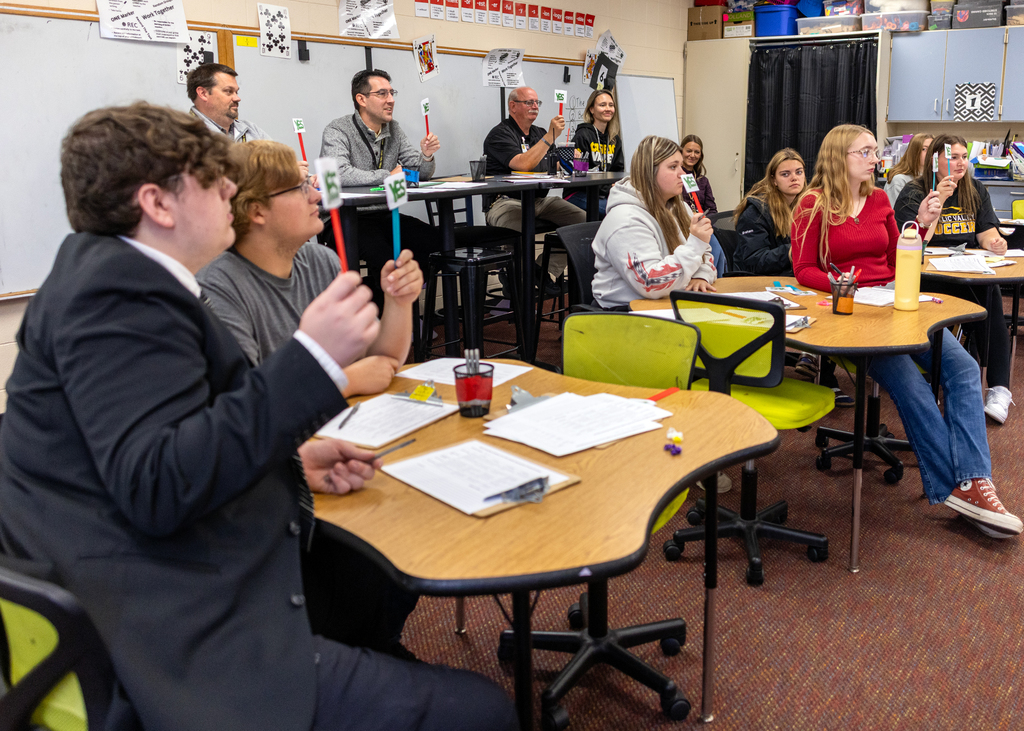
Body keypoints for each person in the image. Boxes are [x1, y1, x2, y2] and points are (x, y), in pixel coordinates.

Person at [0, 103, 518, 731]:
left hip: (122, 581)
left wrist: (291, 456)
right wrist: (313, 359)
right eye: (212, 180)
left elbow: (162, 444)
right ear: (159, 205)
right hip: (171, 638)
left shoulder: (103, 274)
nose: (229, 190)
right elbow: (159, 486)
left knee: (368, 574)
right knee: (483, 711)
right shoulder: (120, 297)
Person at [197, 139, 424, 657]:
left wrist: (399, 301)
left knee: (409, 538)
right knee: (371, 561)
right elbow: (250, 409)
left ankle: (372, 640)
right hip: (283, 470)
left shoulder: (319, 261)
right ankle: (350, 647)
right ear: (256, 211)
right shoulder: (222, 288)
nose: (314, 193)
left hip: (340, 439)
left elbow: (385, 360)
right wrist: (344, 379)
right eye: (299, 187)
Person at [792, 123, 1022, 539]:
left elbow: (900, 255)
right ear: (839, 157)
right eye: (865, 152)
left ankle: (972, 482)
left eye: (874, 152)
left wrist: (923, 223)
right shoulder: (813, 204)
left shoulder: (879, 198)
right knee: (914, 389)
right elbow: (804, 269)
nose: (875, 158)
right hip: (849, 314)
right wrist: (848, 287)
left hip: (893, 302)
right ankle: (961, 487)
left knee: (964, 368)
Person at [893, 134, 1013, 424]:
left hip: (966, 270)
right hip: (927, 275)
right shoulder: (914, 191)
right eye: (954, 157)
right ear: (936, 161)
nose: (961, 164)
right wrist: (941, 199)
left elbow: (985, 232)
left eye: (964, 157)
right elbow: (917, 240)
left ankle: (999, 388)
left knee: (991, 294)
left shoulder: (976, 189)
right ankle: (933, 378)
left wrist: (995, 242)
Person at [320, 69, 442, 307]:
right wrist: (387, 175)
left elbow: (419, 174)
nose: (391, 99)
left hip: (383, 214)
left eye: (392, 92)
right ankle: (376, 312)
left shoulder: (393, 129)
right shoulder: (337, 130)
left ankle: (391, 307)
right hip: (346, 218)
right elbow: (339, 173)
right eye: (382, 93)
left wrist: (426, 156)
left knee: (436, 245)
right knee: (386, 260)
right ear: (361, 99)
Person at [591, 135, 717, 310]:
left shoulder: (681, 208)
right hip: (624, 314)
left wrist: (702, 275)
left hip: (668, 303)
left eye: (681, 166)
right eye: (673, 167)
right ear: (649, 172)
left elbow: (706, 254)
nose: (683, 173)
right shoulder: (625, 219)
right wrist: (696, 244)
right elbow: (651, 283)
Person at [482, 86, 586, 285]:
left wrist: (570, 159)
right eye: (529, 102)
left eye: (537, 102)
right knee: (519, 231)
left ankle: (541, 270)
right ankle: (517, 279)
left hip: (539, 200)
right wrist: (550, 136)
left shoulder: (539, 133)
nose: (535, 107)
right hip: (505, 203)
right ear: (513, 106)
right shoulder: (499, 135)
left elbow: (554, 164)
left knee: (586, 223)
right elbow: (523, 164)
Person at [733, 148, 806, 276]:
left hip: (789, 276)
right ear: (774, 180)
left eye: (799, 172)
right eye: (785, 174)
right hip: (757, 282)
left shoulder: (806, 205)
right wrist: (798, 249)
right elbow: (756, 261)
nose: (794, 178)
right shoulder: (755, 212)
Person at [566, 88, 624, 216]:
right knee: (616, 213)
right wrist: (608, 188)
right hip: (579, 193)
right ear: (591, 109)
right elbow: (579, 174)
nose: (608, 109)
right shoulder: (583, 135)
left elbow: (618, 171)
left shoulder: (615, 139)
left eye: (611, 105)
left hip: (605, 194)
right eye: (602, 105)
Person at [187, 62, 270, 142]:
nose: (237, 98)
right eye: (228, 91)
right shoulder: (184, 134)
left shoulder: (252, 130)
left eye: (236, 92)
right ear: (203, 94)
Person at [680, 134, 727, 274]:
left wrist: (707, 221)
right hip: (683, 224)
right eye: (689, 151)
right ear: (681, 151)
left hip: (703, 224)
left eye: (697, 152)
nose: (692, 155)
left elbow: (712, 208)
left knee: (718, 252)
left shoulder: (702, 180)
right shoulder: (675, 177)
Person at [883, 131, 933, 206]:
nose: (930, 153)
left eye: (933, 149)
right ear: (914, 152)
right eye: (924, 149)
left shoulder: (934, 177)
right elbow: (896, 214)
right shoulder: (899, 180)